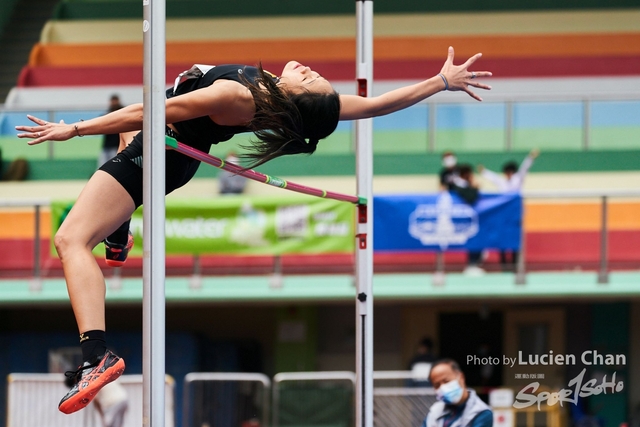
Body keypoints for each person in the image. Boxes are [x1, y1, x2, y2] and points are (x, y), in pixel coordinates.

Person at [16, 46, 491, 414]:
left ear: (298, 99)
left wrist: (73, 130)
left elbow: (148, 115)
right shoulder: (285, 97)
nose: (311, 71)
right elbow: (378, 104)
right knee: (124, 151)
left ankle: (96, 356)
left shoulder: (239, 96)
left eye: (314, 80)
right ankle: (119, 231)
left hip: (160, 152)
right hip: (161, 148)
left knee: (70, 239)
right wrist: (441, 81)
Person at [477, 149, 539, 270]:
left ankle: (515, 264)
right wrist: (484, 172)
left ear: (512, 172)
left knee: (515, 238)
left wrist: (531, 158)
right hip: (503, 214)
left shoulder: (518, 179)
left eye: (509, 172)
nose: (507, 175)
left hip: (516, 213)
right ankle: (504, 265)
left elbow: (524, 169)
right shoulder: (502, 182)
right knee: (502, 238)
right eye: (506, 173)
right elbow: (493, 178)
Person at [421, 358, 493, 427]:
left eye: (446, 381)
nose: (442, 388)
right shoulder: (435, 411)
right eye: (437, 385)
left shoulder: (481, 413)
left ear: (461, 377)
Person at [97, 95, 125, 169]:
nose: (113, 103)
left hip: (117, 145)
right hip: (106, 146)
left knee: (115, 167)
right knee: (102, 166)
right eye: (112, 101)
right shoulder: (108, 113)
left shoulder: (122, 113)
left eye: (115, 101)